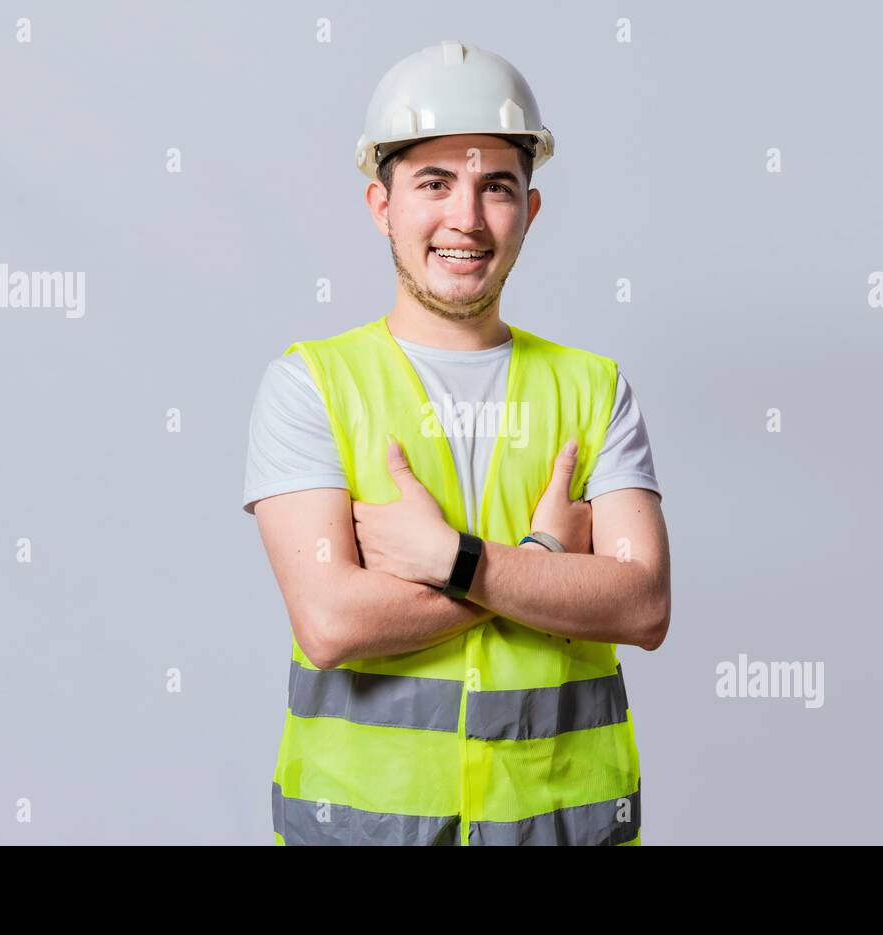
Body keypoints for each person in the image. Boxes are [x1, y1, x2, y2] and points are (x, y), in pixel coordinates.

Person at [242, 40, 671, 845]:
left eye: (496, 187)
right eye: (434, 184)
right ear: (382, 204)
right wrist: (544, 558)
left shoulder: (594, 388)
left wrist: (451, 557)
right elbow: (332, 621)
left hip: (565, 829)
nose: (466, 219)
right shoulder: (311, 386)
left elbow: (642, 605)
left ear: (530, 210)